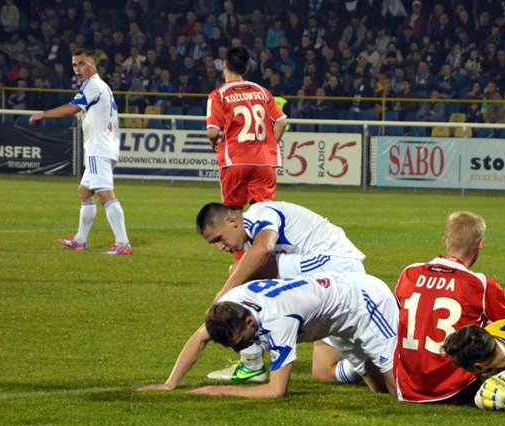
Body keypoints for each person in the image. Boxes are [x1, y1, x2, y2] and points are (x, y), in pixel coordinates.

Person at [393, 211, 505, 404]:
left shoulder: (409, 273)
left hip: (406, 387)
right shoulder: (479, 285)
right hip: (456, 389)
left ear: (445, 241)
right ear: (481, 244)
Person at [137, 272, 398, 398]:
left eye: (240, 342)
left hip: (365, 301)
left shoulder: (279, 320)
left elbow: (276, 391)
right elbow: (199, 337)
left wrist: (216, 390)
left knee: (400, 391)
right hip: (336, 317)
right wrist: (170, 383)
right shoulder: (231, 305)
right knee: (379, 391)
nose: (239, 351)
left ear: (250, 321)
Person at [195, 201, 367, 384]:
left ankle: (251, 364)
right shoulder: (252, 242)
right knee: (324, 371)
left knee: (241, 270)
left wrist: (222, 296)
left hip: (337, 264)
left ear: (231, 221)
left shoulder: (260, 212)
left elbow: (264, 248)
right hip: (337, 287)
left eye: (219, 239)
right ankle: (372, 360)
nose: (220, 247)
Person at [31, 49, 130, 255]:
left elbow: (71, 109)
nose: (77, 68)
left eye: (82, 63)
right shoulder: (101, 86)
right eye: (75, 65)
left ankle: (123, 244)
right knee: (85, 192)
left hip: (98, 148)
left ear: (93, 65)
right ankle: (80, 240)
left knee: (105, 195)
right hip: (103, 147)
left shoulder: (93, 85)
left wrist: (43, 114)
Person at [206, 44, 288, 208]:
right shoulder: (261, 91)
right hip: (264, 162)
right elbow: (281, 122)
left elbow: (213, 132)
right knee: (264, 212)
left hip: (236, 160)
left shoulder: (219, 94)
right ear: (246, 69)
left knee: (233, 211)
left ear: (224, 65)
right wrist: (269, 145)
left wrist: (213, 143)